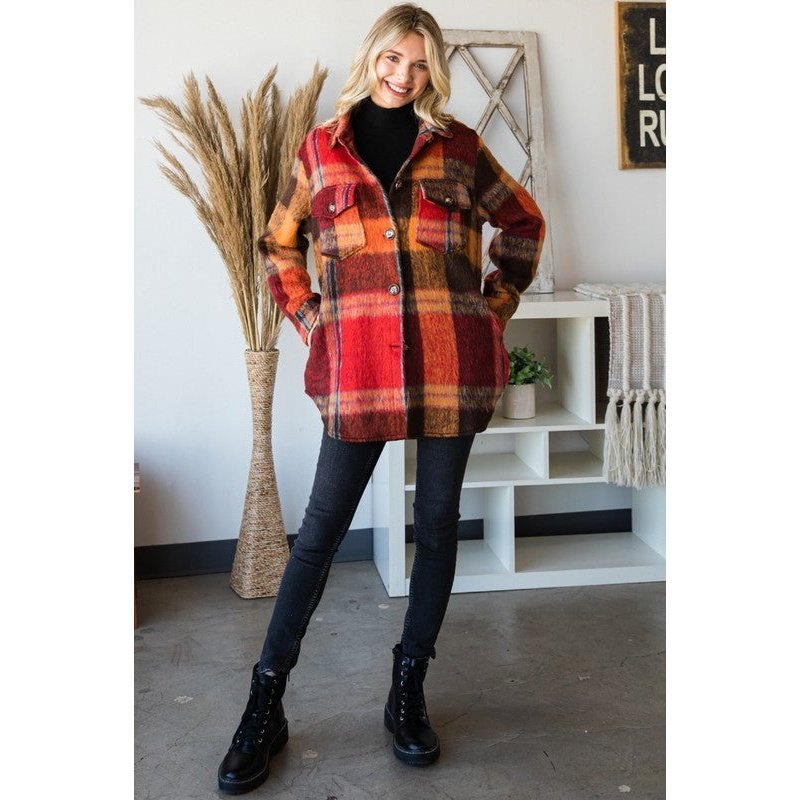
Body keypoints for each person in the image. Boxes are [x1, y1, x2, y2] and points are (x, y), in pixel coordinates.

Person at [217, 3, 546, 794]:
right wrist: (312, 321)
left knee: (437, 527)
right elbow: (279, 245)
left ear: (435, 70)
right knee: (320, 535)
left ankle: (408, 691)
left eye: (421, 63)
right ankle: (265, 702)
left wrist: (490, 310)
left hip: (448, 365)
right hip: (358, 369)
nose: (404, 76)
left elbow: (523, 224)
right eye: (394, 59)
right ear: (372, 57)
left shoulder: (460, 148)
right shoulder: (321, 150)